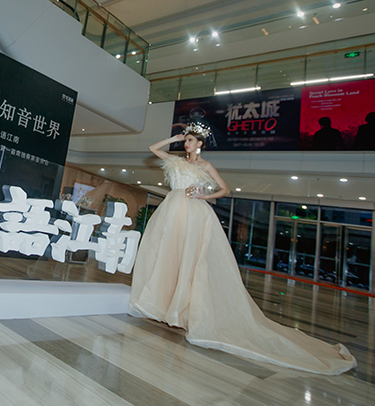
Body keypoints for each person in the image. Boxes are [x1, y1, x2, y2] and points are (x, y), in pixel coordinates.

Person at [129, 122, 356, 375]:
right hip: (172, 211)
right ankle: (167, 307)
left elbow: (224, 190)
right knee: (169, 257)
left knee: (191, 261)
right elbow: (153, 148)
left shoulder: (206, 166)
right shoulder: (177, 161)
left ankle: (185, 312)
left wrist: (203, 195)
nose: (187, 143)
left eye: (191, 140)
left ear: (201, 144)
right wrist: (173, 138)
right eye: (186, 140)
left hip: (193, 213)